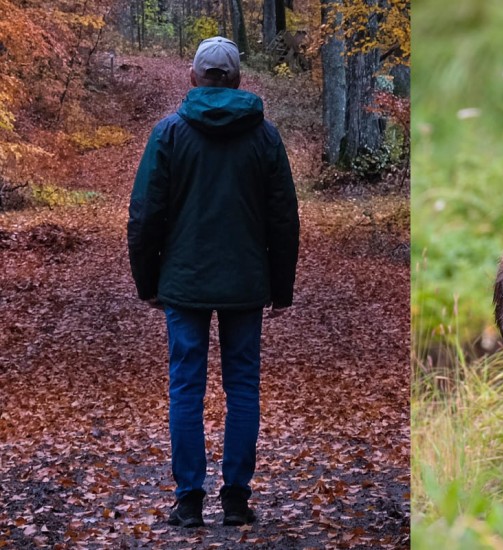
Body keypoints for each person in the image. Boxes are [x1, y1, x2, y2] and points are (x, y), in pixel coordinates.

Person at [127, 36, 300, 528]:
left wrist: (148, 282)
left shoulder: (170, 134)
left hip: (184, 285)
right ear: (239, 80)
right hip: (246, 285)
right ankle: (237, 500)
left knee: (186, 387)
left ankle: (188, 502)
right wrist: (280, 287)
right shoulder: (264, 137)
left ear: (193, 78)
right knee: (242, 386)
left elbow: (144, 214)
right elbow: (284, 218)